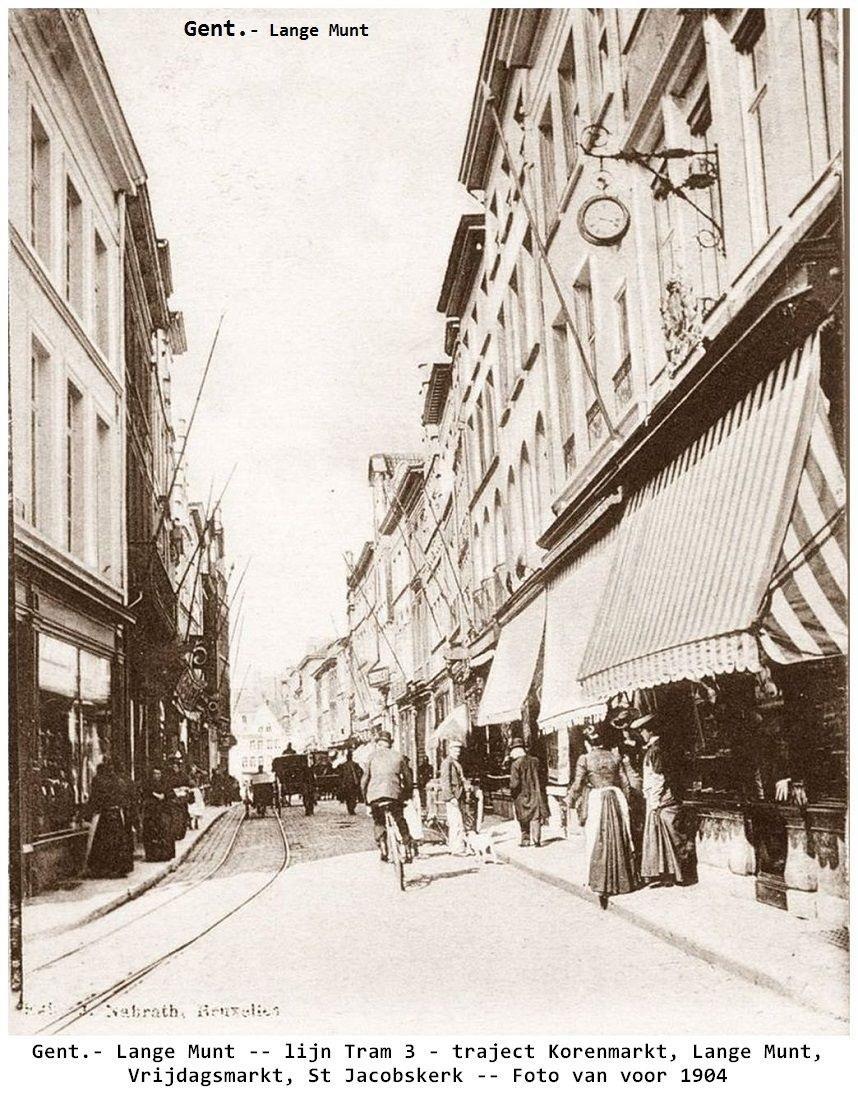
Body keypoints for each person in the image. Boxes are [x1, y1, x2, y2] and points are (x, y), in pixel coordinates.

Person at [566, 721, 638, 908]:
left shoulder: (585, 759)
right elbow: (625, 783)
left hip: (597, 800)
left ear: (588, 742)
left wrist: (569, 800)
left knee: (597, 839)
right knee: (621, 837)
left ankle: (600, 881)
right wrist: (627, 802)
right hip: (617, 796)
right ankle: (623, 880)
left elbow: (578, 783)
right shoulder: (614, 756)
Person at [636, 713, 696, 886]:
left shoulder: (656, 750)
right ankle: (671, 874)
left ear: (649, 731)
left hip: (663, 799)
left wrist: (654, 802)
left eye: (642, 730)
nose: (641, 734)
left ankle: (681, 875)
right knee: (667, 837)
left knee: (671, 836)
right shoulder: (660, 747)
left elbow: (658, 777)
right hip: (664, 798)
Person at [360, 730, 413, 862]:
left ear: (378, 744)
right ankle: (407, 847)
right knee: (400, 819)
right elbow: (408, 779)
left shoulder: (371, 757)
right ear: (390, 744)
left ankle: (383, 847)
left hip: (375, 797)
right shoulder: (398, 756)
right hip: (394, 795)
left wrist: (365, 799)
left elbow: (364, 780)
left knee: (379, 821)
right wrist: (407, 794)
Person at [85, 761, 134, 878]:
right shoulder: (119, 781)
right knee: (117, 841)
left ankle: (103, 868)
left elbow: (94, 799)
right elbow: (124, 798)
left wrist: (86, 815)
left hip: (105, 815)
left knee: (104, 841)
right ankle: (118, 868)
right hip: (117, 814)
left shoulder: (98, 781)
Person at [508, 738, 550, 848]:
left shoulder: (515, 764)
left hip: (521, 796)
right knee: (535, 816)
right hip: (536, 793)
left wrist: (511, 790)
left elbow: (514, 783)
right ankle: (537, 840)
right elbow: (543, 776)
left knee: (523, 817)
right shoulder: (535, 761)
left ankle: (525, 840)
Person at [439, 740, 468, 856]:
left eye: (459, 750)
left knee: (457, 822)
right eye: (455, 750)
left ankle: (455, 847)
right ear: (449, 750)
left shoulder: (455, 762)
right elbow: (445, 781)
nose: (458, 752)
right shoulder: (447, 763)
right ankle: (457, 849)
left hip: (457, 795)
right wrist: (451, 797)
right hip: (453, 797)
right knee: (456, 823)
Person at [141, 766, 175, 862]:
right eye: (155, 774)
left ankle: (164, 855)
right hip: (152, 812)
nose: (157, 776)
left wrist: (164, 796)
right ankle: (152, 856)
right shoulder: (148, 784)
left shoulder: (165, 783)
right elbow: (145, 794)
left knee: (165, 833)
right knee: (151, 833)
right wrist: (154, 795)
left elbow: (171, 793)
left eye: (159, 774)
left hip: (163, 811)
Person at [338, 749, 363, 815]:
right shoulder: (355, 765)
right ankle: (351, 809)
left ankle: (350, 809)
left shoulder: (344, 765)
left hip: (347, 784)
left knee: (349, 797)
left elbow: (340, 775)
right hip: (353, 783)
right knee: (352, 797)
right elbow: (360, 772)